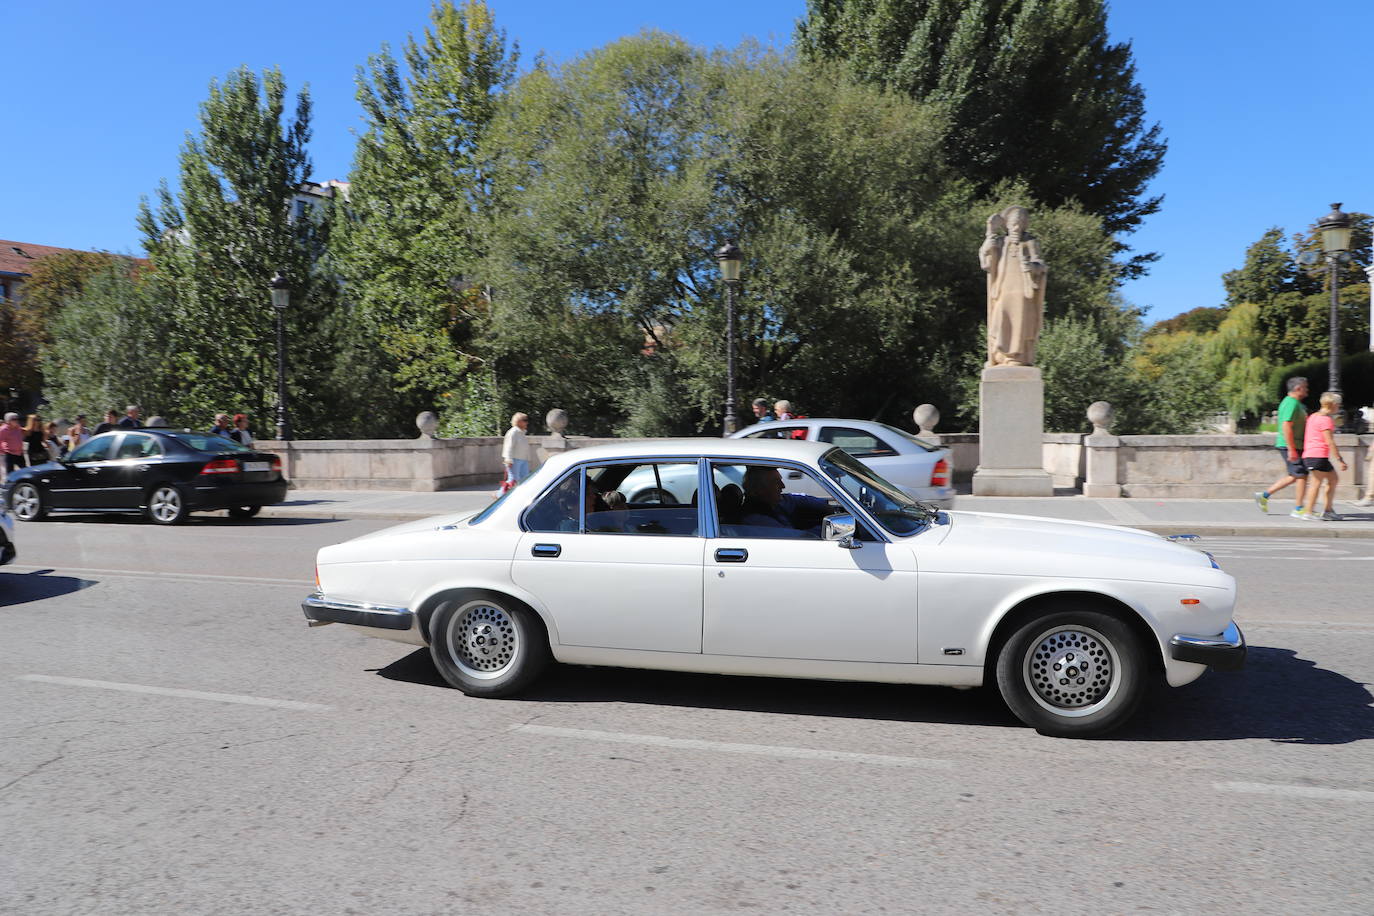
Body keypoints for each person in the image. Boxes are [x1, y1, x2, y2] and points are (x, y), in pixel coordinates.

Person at [979, 205, 1048, 367]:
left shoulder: (1030, 242)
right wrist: (989, 237)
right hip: (1003, 290)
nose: (1017, 226)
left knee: (1020, 321)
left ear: (1025, 224)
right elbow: (986, 260)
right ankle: (998, 355)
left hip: (1023, 291)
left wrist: (1032, 267)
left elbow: (1041, 266)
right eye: (1014, 223)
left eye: (1021, 223)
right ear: (1007, 224)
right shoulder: (1001, 242)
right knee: (1000, 317)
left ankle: (1017, 357)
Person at [1255, 377, 1309, 515]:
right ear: (1298, 388)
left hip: (1295, 444)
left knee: (1296, 475)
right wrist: (1291, 449)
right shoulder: (1291, 403)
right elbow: (1286, 425)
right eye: (1305, 387)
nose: (1307, 390)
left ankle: (1264, 495)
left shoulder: (1297, 404)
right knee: (1301, 475)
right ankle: (1298, 509)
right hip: (1290, 445)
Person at [1296, 391, 1348, 521]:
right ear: (1333, 404)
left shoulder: (1313, 416)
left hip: (1312, 455)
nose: (1339, 407)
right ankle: (1308, 512)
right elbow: (1329, 441)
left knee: (1333, 479)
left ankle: (1328, 510)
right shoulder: (1326, 420)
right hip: (1317, 456)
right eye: (1338, 405)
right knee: (1316, 483)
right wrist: (1340, 459)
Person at [738, 466, 831, 535]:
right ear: (760, 489)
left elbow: (797, 500)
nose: (783, 486)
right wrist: (828, 529)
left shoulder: (774, 504)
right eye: (776, 482)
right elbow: (800, 538)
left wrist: (829, 507)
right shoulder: (756, 520)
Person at [502, 412, 533, 487]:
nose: (527, 422)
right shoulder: (513, 432)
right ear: (519, 421)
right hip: (514, 460)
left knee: (525, 479)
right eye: (525, 420)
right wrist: (508, 459)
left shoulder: (522, 432)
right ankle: (500, 494)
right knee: (512, 480)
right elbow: (508, 446)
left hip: (523, 459)